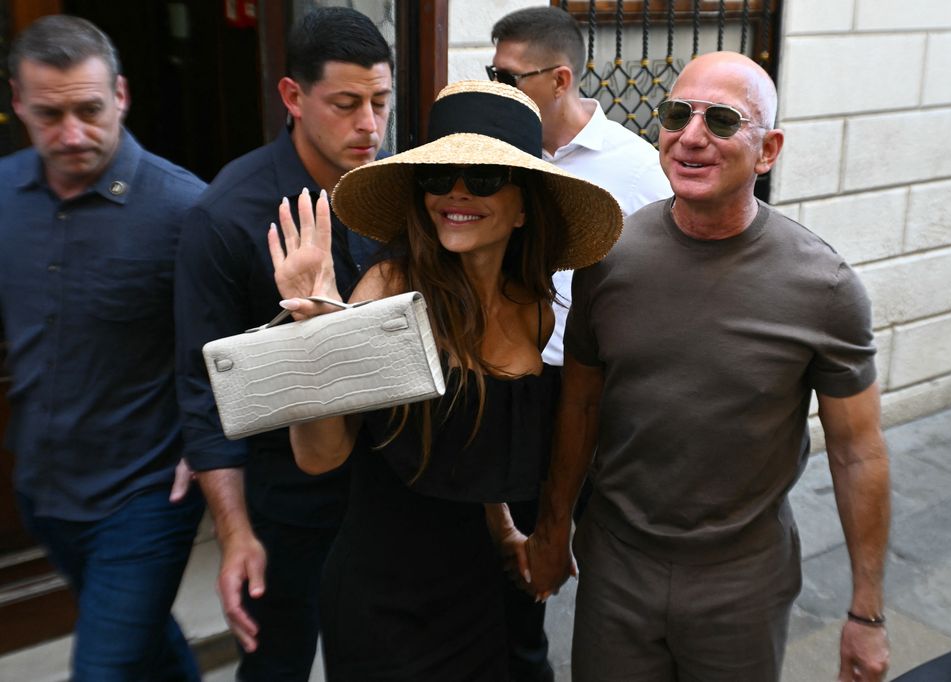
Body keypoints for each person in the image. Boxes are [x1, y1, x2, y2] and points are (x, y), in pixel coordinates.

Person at [524, 51, 892, 682]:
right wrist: (554, 528)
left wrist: (867, 613)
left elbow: (857, 452)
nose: (692, 136)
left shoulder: (824, 288)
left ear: (768, 150)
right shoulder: (607, 258)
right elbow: (580, 405)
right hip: (617, 568)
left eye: (722, 120)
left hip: (741, 584)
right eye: (677, 115)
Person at [269, 80, 621, 680]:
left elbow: (475, 445)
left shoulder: (533, 308)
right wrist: (318, 342)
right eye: (438, 177)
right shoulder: (390, 291)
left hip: (480, 584)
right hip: (386, 602)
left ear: (523, 206)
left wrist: (506, 529)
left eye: (482, 178)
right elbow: (321, 455)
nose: (456, 193)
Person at [173, 7, 391, 680]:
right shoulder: (224, 216)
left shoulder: (395, 188)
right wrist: (235, 534)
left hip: (392, 484)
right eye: (347, 104)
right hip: (288, 498)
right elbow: (203, 392)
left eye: (381, 102)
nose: (370, 125)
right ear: (293, 97)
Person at [0, 15, 205, 681]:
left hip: (147, 493)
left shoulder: (185, 209)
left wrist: (207, 444)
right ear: (18, 102)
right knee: (143, 642)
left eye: (88, 110)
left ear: (120, 94)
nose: (72, 134)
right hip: (43, 484)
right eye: (49, 115)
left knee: (103, 668)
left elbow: (236, 340)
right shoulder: (3, 193)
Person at [489, 9, 672, 679]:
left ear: (560, 79)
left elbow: (664, 286)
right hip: (515, 381)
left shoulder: (637, 168)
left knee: (609, 559)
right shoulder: (496, 154)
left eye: (508, 78)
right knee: (514, 569)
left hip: (596, 391)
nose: (496, 89)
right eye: (491, 74)